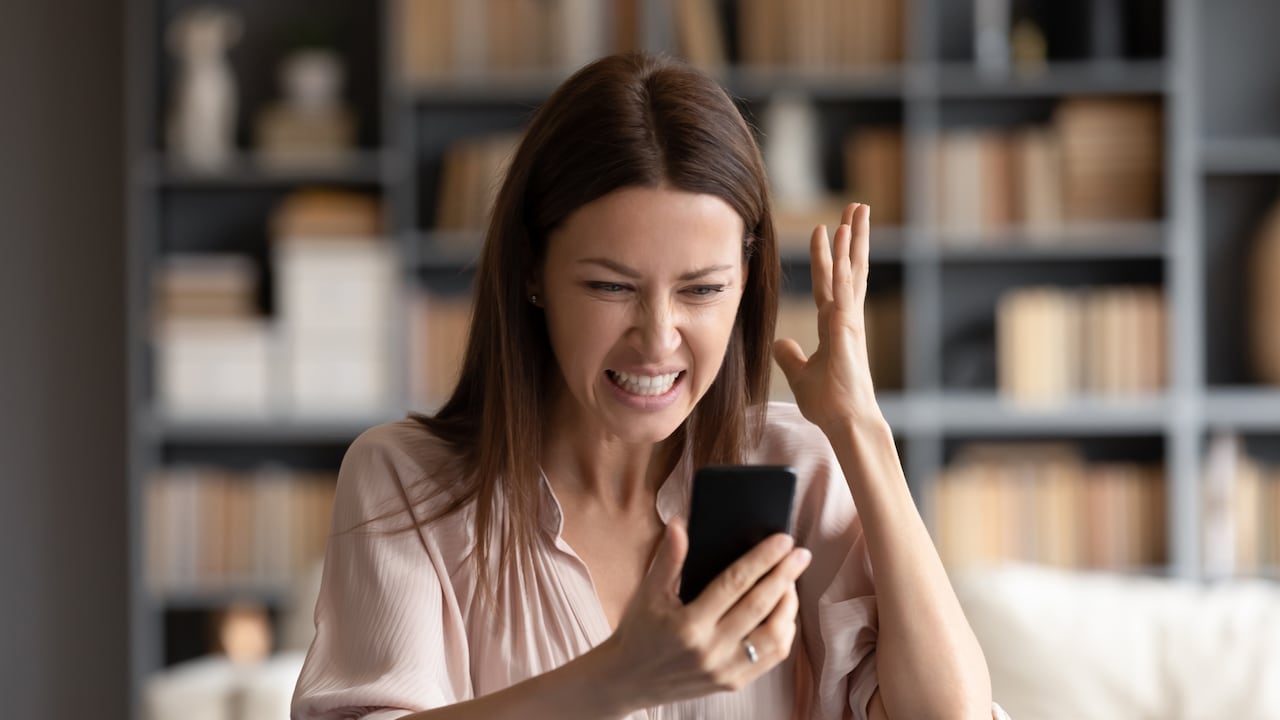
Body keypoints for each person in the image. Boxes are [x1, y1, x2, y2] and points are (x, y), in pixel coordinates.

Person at [291, 52, 1008, 720]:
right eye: (611, 286)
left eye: (702, 290)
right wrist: (619, 678)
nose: (659, 339)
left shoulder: (797, 466)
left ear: (746, 282)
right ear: (533, 272)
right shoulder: (405, 480)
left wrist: (861, 430)